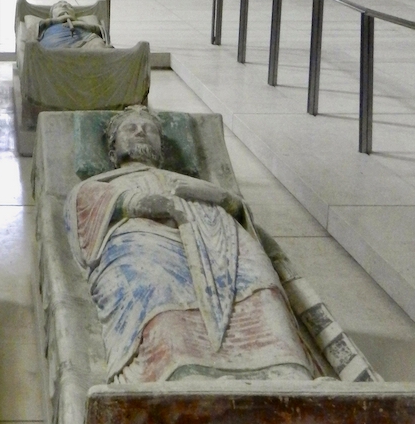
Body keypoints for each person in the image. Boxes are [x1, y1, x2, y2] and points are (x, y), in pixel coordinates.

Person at [66, 106, 314, 383]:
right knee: (154, 281)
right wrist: (140, 203)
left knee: (258, 277)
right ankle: (179, 367)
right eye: (130, 128)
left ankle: (280, 364)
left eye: (149, 129)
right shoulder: (101, 184)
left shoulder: (189, 181)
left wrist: (223, 199)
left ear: (161, 149)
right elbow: (82, 208)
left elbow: (238, 211)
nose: (140, 132)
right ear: (112, 152)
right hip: (144, 240)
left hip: (215, 236)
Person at [36, 0, 106, 50]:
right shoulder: (46, 23)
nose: (64, 6)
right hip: (55, 42)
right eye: (58, 6)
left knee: (97, 43)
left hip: (84, 42)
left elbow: (101, 32)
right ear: (52, 15)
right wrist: (57, 20)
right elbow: (33, 32)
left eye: (69, 7)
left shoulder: (80, 22)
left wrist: (82, 25)